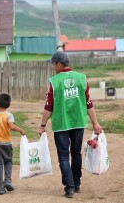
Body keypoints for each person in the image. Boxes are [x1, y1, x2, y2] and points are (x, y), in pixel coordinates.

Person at [38, 51, 102, 198]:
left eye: (53, 64)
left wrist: (42, 125)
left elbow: (49, 105)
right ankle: (77, 183)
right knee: (76, 153)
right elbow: (88, 102)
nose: (53, 67)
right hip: (78, 122)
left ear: (59, 64)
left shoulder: (55, 81)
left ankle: (69, 187)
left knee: (63, 156)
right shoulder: (81, 78)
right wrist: (95, 123)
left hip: (61, 125)